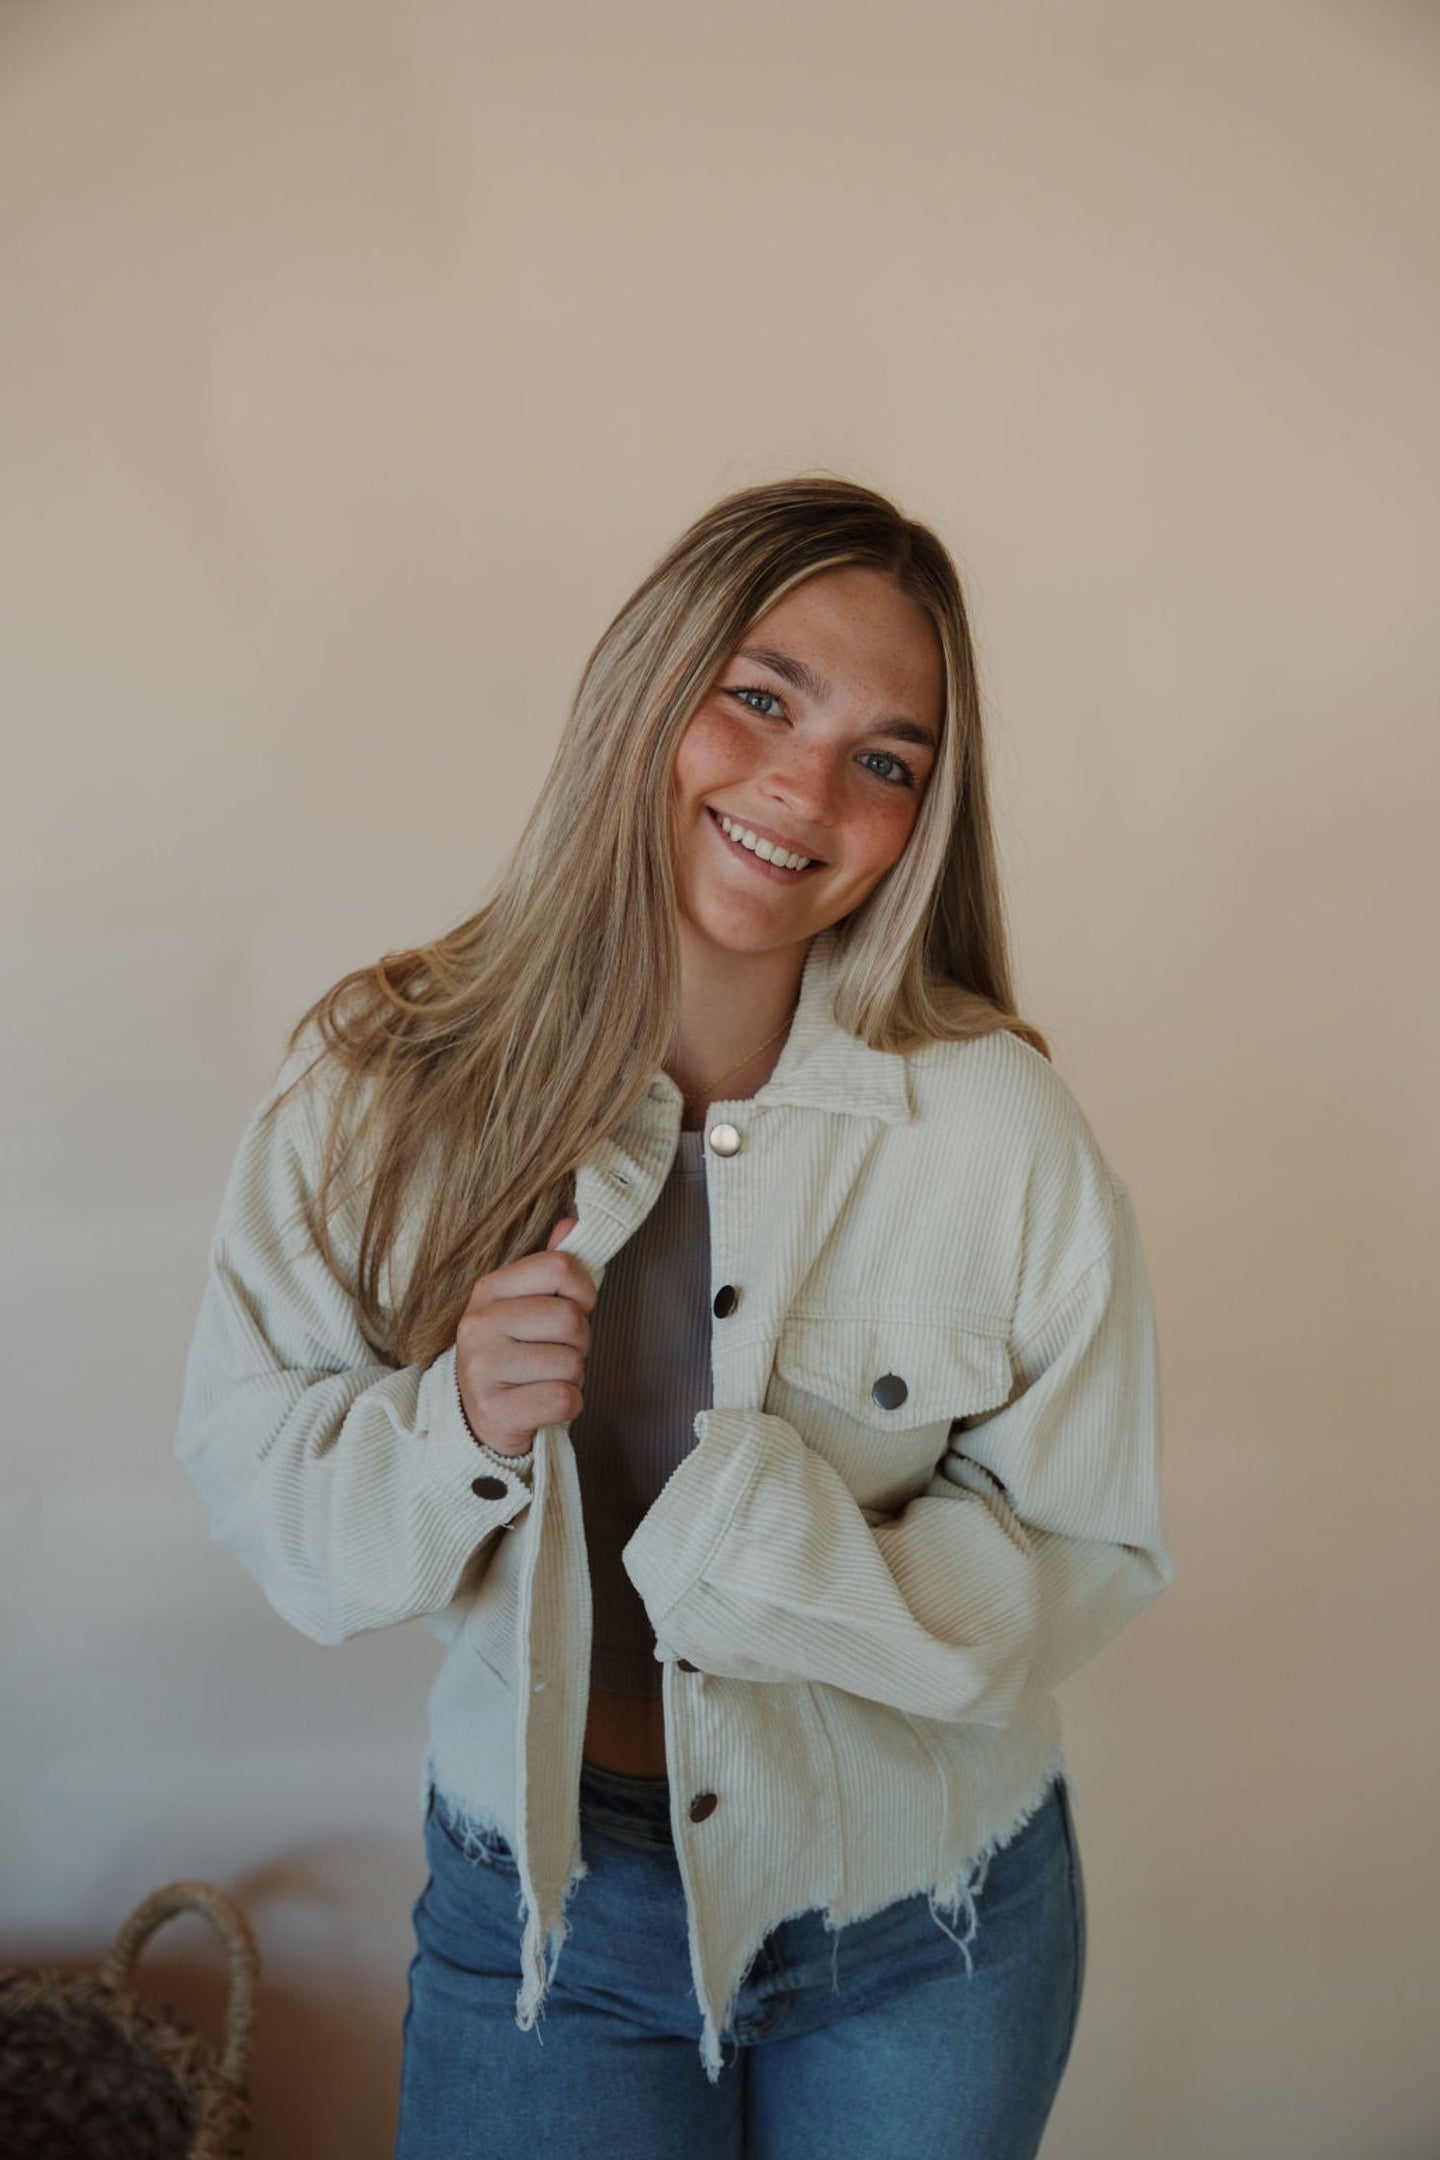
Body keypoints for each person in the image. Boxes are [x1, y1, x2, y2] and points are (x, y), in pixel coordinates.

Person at [175, 475, 1173, 2159]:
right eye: (763, 697)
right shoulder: (376, 1087)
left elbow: (1086, 1549)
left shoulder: (1001, 1129)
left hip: (927, 1919)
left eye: (886, 758)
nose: (802, 784)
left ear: (921, 818)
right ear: (651, 688)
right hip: (548, 1922)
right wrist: (457, 1428)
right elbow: (259, 1481)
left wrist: (797, 1563)